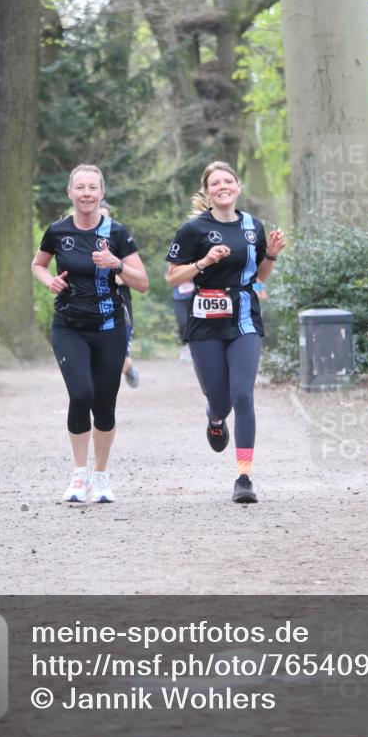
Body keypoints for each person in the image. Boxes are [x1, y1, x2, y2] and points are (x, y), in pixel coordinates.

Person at [165, 161, 285, 504]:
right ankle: (215, 418)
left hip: (244, 319)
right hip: (206, 322)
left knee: (243, 394)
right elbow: (172, 277)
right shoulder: (193, 229)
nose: (222, 187)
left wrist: (270, 255)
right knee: (220, 400)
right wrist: (203, 262)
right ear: (207, 192)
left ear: (238, 187)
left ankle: (244, 477)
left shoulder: (252, 226)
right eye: (215, 183)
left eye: (227, 181)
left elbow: (259, 276)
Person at [32, 165, 149, 504]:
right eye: (80, 187)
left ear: (101, 193)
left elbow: (142, 283)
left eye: (92, 188)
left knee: (104, 404)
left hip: (109, 327)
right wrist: (49, 282)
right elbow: (38, 264)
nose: (86, 193)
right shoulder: (58, 231)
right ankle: (79, 474)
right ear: (70, 192)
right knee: (81, 394)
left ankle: (101, 477)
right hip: (69, 326)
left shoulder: (117, 233)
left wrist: (116, 264)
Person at [100, 203, 139, 388]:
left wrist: (113, 275)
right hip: (91, 305)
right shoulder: (80, 242)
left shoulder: (119, 239)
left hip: (120, 304)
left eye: (104, 217)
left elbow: (134, 276)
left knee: (119, 358)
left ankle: (128, 367)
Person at [172, 282, 195, 362]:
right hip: (179, 299)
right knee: (183, 323)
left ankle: (194, 349)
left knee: (194, 324)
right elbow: (170, 279)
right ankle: (185, 346)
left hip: (194, 297)